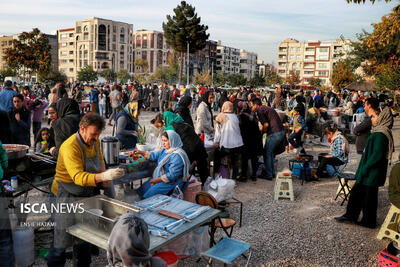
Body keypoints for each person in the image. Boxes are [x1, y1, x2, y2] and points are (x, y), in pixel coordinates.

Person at [47, 113, 125, 267]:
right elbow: (78, 177)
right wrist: (102, 176)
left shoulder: (94, 141)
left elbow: (100, 160)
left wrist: (107, 182)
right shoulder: (70, 147)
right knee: (60, 242)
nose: (96, 137)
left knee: (85, 238)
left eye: (98, 134)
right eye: (93, 134)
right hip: (66, 196)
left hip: (86, 195)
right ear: (82, 129)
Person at [335, 101, 393, 229]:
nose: (371, 119)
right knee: (364, 195)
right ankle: (358, 218)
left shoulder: (380, 134)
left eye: (374, 117)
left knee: (366, 197)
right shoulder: (379, 132)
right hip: (370, 172)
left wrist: (365, 169)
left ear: (381, 118)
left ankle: (363, 220)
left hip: (371, 172)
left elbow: (376, 156)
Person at [135, 130, 190, 199]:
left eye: (165, 141)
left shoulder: (177, 156)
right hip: (160, 178)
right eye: (163, 141)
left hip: (171, 182)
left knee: (148, 196)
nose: (163, 143)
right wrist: (141, 152)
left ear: (173, 140)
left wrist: (157, 180)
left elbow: (172, 175)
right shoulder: (166, 150)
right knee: (142, 190)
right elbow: (154, 156)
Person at [163, 112, 210, 185]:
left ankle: (190, 186)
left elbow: (171, 142)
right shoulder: (184, 123)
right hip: (199, 145)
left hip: (188, 149)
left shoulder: (170, 127)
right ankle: (207, 185)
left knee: (188, 169)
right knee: (203, 167)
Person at [250, 98, 284, 180]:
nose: (251, 108)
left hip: (274, 133)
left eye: (251, 105)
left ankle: (269, 175)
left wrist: (262, 133)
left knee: (267, 153)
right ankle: (272, 173)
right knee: (270, 153)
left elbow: (266, 125)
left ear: (256, 105)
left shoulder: (260, 110)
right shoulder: (266, 108)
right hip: (280, 132)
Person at [213, 101, 244, 180]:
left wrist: (216, 141)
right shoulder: (235, 117)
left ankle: (217, 175)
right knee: (235, 162)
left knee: (217, 156)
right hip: (238, 144)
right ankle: (234, 179)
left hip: (227, 145)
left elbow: (218, 133)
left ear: (223, 107)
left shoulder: (221, 116)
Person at [237, 101, 262, 181]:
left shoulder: (241, 116)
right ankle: (254, 175)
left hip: (245, 139)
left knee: (245, 157)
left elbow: (240, 128)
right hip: (254, 139)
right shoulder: (252, 114)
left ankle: (244, 176)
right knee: (253, 157)